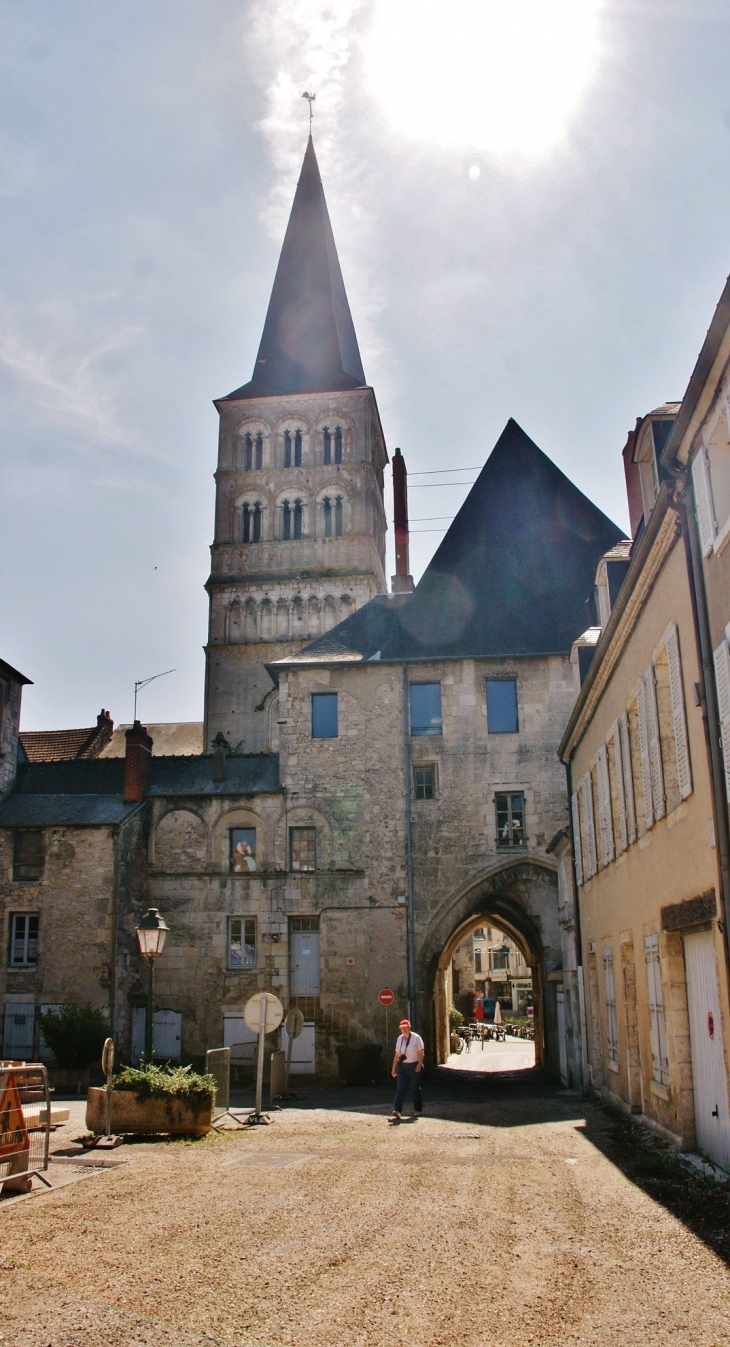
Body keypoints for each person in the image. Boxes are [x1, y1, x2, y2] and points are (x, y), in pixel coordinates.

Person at [390, 1018, 424, 1120]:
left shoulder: (416, 1038)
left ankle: (418, 1109)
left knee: (415, 1088)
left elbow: (421, 1052)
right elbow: (397, 1054)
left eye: (406, 1028)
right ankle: (397, 1110)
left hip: (414, 1066)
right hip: (402, 1067)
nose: (404, 1030)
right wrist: (393, 1068)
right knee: (400, 1088)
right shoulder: (399, 1039)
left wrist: (419, 1064)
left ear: (409, 1027)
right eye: (402, 1028)